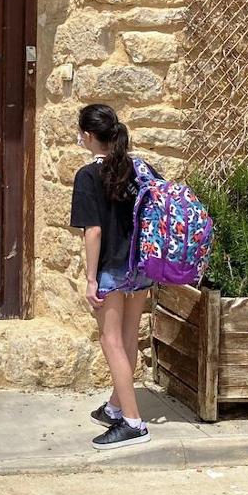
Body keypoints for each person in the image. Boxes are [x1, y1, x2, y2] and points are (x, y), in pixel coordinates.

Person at [70, 104, 157, 451]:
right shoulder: (140, 168)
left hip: (110, 268)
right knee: (128, 337)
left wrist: (91, 279)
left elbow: (93, 231)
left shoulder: (88, 175)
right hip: (140, 266)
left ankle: (133, 422)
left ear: (89, 136)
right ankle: (115, 406)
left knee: (111, 341)